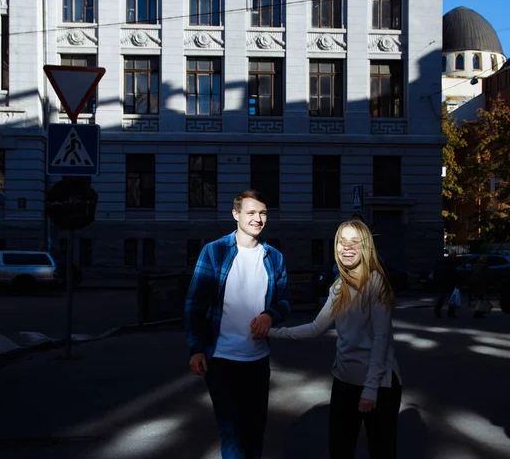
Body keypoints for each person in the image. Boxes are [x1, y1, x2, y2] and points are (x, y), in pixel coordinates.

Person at [262, 219, 401, 459]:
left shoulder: (376, 283)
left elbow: (381, 339)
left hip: (378, 384)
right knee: (339, 450)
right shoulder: (338, 288)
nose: (347, 248)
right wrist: (272, 332)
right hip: (344, 381)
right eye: (341, 242)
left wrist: (370, 389)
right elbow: (315, 327)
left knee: (381, 452)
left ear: (365, 247)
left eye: (354, 242)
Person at [185, 189, 290, 459]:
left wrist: (270, 315)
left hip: (258, 359)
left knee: (255, 431)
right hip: (220, 359)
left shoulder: (274, 257)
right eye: (251, 212)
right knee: (230, 432)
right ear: (236, 214)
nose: (258, 219)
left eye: (263, 213)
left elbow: (285, 302)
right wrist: (195, 348)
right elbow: (195, 304)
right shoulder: (215, 252)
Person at [433, 250, 460, 318]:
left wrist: (436, 281)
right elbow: (454, 273)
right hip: (449, 282)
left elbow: (436, 272)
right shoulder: (452, 262)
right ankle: (450, 313)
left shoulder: (442, 262)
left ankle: (438, 310)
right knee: (450, 298)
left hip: (443, 282)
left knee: (442, 298)